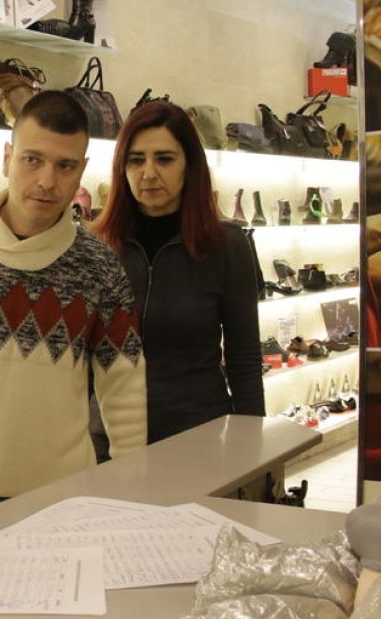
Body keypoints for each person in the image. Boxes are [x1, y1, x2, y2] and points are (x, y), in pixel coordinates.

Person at [0, 90, 147, 500]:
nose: (46, 180)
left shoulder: (99, 265)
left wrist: (131, 487)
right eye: (32, 160)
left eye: (65, 166)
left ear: (82, 171)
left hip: (65, 497)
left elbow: (124, 384)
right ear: (7, 158)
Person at [93, 100, 264, 444]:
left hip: (197, 434)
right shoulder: (97, 246)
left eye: (165, 159)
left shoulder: (227, 245)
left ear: (190, 165)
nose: (149, 173)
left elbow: (243, 358)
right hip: (109, 439)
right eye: (136, 160)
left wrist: (252, 449)